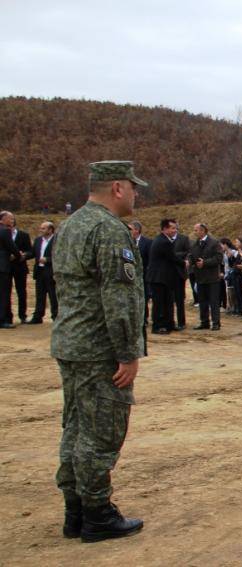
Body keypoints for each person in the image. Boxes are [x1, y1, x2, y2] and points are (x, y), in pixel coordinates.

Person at [51, 160, 147, 542]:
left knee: (74, 428)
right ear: (118, 188)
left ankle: (75, 511)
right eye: (133, 187)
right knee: (100, 433)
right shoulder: (109, 230)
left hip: (71, 343)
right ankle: (97, 514)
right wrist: (128, 353)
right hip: (99, 348)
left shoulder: (71, 225)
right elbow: (118, 298)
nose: (137, 194)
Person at [189, 223, 223, 330]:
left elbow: (218, 258)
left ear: (203, 231)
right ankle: (204, 322)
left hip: (212, 277)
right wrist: (189, 261)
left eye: (196, 230)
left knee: (213, 301)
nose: (195, 232)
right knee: (202, 301)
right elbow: (191, 255)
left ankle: (216, 323)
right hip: (200, 277)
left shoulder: (214, 243)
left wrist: (205, 262)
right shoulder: (195, 244)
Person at [3, 212, 34, 324]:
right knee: (6, 292)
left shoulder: (23, 235)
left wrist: (23, 255)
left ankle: (22, 315)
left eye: (11, 222)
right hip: (6, 267)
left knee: (21, 292)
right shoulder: (2, 235)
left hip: (20, 267)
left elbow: (31, 251)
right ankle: (8, 317)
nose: (9, 226)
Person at [28, 221, 59, 323]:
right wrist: (23, 256)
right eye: (41, 228)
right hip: (39, 271)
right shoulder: (37, 240)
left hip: (50, 271)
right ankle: (37, 316)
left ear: (50, 230)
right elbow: (32, 253)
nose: (41, 230)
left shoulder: (57, 240)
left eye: (43, 228)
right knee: (40, 294)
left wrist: (48, 260)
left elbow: (60, 256)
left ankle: (56, 316)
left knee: (53, 295)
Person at [0, 212, 17, 328]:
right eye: (10, 218)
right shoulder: (5, 231)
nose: (12, 221)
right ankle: (2, 320)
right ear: (3, 219)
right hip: (2, 266)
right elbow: (12, 247)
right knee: (3, 294)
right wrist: (19, 255)